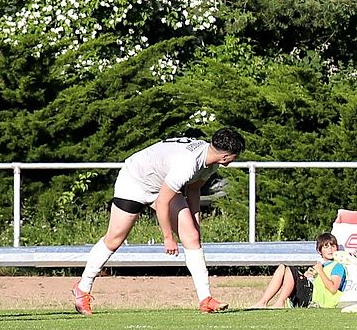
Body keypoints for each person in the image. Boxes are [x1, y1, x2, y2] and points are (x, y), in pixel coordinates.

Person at [72, 128, 245, 314]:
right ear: (226, 156)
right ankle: (83, 288)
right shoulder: (188, 163)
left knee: (192, 236)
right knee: (114, 239)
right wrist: (168, 237)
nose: (235, 159)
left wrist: (195, 223)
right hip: (135, 181)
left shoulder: (211, 161)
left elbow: (194, 189)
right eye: (235, 156)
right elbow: (163, 202)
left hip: (162, 186)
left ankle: (206, 299)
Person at [250, 232, 347, 309]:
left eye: (333, 246)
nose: (330, 249)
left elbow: (333, 289)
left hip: (317, 301)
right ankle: (263, 302)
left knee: (291, 270)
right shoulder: (320, 265)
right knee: (282, 267)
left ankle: (280, 302)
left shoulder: (337, 266)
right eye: (326, 246)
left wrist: (320, 271)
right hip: (308, 296)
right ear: (319, 250)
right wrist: (307, 276)